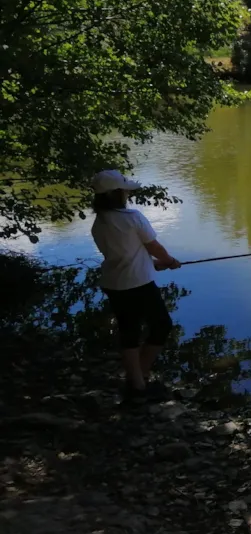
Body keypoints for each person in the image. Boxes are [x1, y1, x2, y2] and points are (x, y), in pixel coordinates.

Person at [90, 169, 181, 402]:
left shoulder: (99, 223)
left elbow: (123, 254)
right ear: (117, 193)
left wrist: (153, 265)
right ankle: (140, 377)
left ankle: (136, 381)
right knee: (161, 325)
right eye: (124, 190)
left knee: (129, 330)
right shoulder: (133, 218)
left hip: (114, 283)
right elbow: (154, 247)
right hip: (138, 283)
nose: (126, 193)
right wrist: (169, 261)